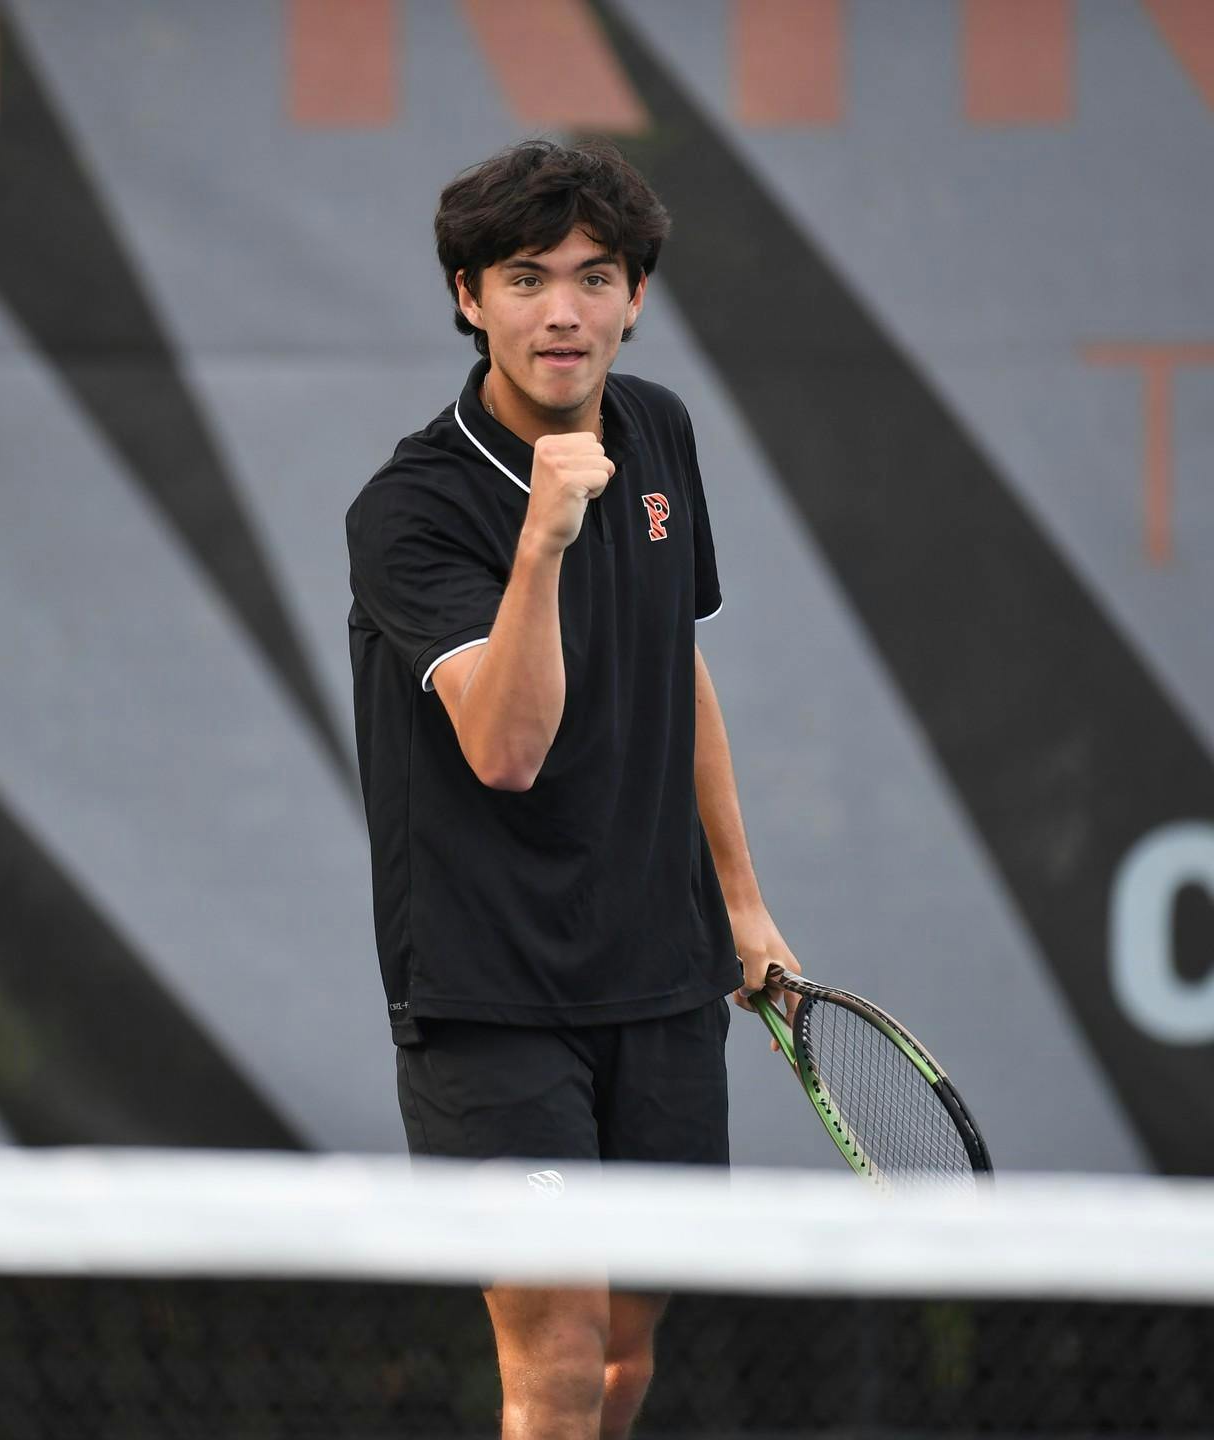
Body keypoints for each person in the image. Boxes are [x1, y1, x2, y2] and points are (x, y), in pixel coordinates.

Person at [345, 139, 800, 1440]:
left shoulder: (658, 428)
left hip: (661, 979)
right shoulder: (412, 509)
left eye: (595, 277)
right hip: (490, 997)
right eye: (527, 277)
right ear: (466, 295)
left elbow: (676, 662)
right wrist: (542, 538)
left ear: (636, 296)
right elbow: (505, 747)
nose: (563, 310)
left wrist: (743, 906)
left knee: (622, 1363)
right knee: (553, 1358)